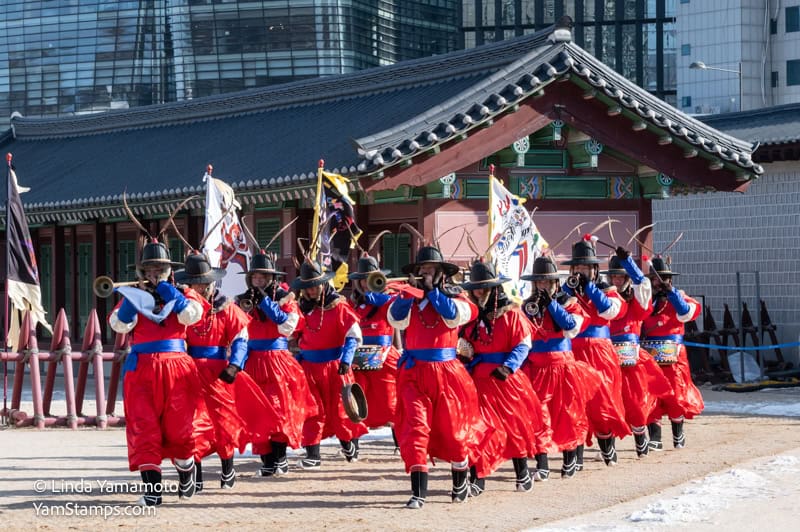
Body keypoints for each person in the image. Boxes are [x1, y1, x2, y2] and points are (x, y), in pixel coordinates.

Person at [108, 239, 206, 506]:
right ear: (141, 273)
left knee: (181, 427)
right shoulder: (133, 296)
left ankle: (186, 469)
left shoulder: (183, 295)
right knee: (144, 427)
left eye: (158, 271)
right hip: (142, 370)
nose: (153, 275)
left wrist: (171, 293)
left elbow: (193, 317)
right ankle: (152, 492)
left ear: (168, 272)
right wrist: (131, 303)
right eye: (148, 271)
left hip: (177, 369)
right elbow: (118, 325)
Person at [388, 245, 484, 509]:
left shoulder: (458, 297)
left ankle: (460, 482)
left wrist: (433, 292)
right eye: (422, 270)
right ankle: (418, 493)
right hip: (414, 373)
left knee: (453, 432)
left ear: (442, 274)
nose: (425, 274)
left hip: (447, 373)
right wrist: (409, 293)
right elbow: (395, 320)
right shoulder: (409, 299)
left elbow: (455, 318)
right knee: (415, 430)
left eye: (430, 270)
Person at [176, 252, 278, 490]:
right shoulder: (183, 309)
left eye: (203, 283)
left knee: (224, 421)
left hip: (219, 371)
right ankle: (196, 476)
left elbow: (241, 338)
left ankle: (227, 470)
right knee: (192, 424)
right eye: (194, 283)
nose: (199, 288)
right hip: (188, 371)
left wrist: (235, 365)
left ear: (211, 282)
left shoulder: (226, 307)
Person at [459, 259, 550, 494]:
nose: (479, 292)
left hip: (506, 380)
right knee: (479, 429)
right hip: (479, 380)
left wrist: (508, 367)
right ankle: (478, 479)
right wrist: (464, 355)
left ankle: (522, 474)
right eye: (476, 288)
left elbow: (523, 345)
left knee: (514, 428)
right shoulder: (472, 318)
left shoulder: (512, 315)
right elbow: (465, 345)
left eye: (484, 287)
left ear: (495, 288)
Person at [238, 251, 317, 477]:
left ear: (271, 277)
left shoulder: (285, 298)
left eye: (263, 277)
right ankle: (268, 461)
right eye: (255, 277)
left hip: (277, 361)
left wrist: (263, 300)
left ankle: (280, 458)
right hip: (253, 361)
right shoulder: (244, 298)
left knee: (278, 411)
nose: (258, 280)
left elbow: (285, 325)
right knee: (257, 412)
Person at [520, 256, 599, 479]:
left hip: (563, 367)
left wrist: (552, 304)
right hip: (537, 368)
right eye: (539, 283)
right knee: (538, 416)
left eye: (547, 283)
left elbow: (570, 325)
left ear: (556, 284)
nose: (543, 287)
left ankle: (570, 458)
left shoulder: (569, 303)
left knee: (568, 414)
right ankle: (542, 463)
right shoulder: (528, 306)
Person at [562, 237, 631, 467]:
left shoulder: (607, 290)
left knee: (602, 403)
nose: (580, 271)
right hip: (573, 352)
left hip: (600, 352)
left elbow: (611, 311)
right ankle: (576, 458)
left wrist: (589, 288)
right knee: (575, 404)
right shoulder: (564, 291)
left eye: (585, 267)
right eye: (578, 267)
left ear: (594, 269)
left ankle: (607, 447)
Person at [293, 261, 368, 469]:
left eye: (315, 285)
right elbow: (295, 334)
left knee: (340, 410)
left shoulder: (338, 306)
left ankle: (348, 443)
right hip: (309, 367)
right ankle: (313, 454)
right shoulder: (302, 309)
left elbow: (353, 336)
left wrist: (346, 359)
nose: (311, 290)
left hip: (335, 367)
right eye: (307, 286)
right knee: (311, 410)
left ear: (324, 284)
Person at [602, 248, 672, 457]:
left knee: (634, 401)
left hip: (630, 356)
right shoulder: (605, 300)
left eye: (620, 276)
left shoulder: (636, 301)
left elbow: (643, 284)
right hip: (606, 355)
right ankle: (609, 446)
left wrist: (629, 263)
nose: (615, 279)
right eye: (613, 275)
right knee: (609, 401)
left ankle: (641, 437)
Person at [642, 257, 704, 449]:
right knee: (651, 394)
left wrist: (672, 294)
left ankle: (678, 433)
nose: (658, 283)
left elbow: (686, 313)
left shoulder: (680, 298)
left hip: (674, 357)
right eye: (654, 280)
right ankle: (655, 437)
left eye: (662, 280)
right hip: (650, 355)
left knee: (675, 394)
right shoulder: (645, 302)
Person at [346, 255, 400, 437]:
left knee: (391, 401)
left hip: (384, 357)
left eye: (369, 279)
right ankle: (353, 444)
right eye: (362, 280)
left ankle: (400, 444)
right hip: (358, 358)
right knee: (353, 399)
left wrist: (382, 299)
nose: (365, 284)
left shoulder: (389, 299)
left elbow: (397, 322)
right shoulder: (352, 304)